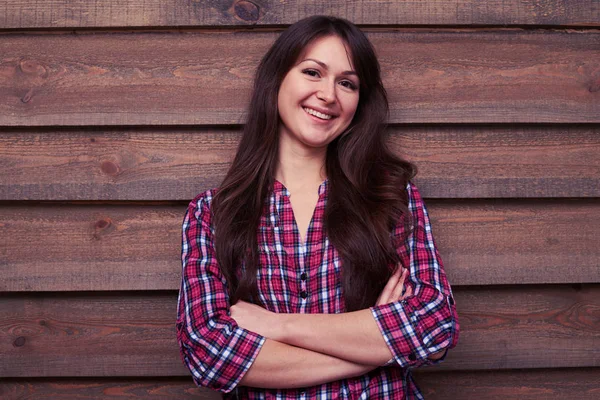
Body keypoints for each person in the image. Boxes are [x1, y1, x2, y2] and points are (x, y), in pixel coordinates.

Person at [176, 15, 459, 399]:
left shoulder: (391, 198)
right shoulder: (211, 213)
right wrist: (375, 347)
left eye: (347, 83)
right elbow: (209, 353)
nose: (329, 95)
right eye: (313, 72)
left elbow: (433, 325)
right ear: (276, 80)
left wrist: (280, 326)